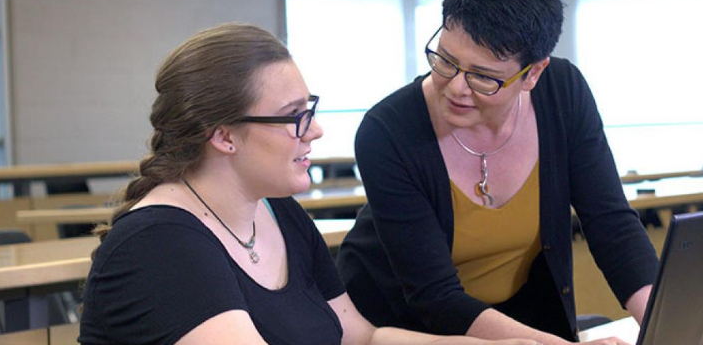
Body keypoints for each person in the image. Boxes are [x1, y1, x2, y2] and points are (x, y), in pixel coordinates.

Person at [79, 23, 534, 345]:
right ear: (222, 136)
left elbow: (362, 336)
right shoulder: (158, 246)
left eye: (309, 110)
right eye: (294, 116)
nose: (313, 130)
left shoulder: (277, 213)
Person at [335, 0, 658, 345]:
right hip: (400, 326)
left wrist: (661, 323)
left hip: (512, 319)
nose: (456, 87)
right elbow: (434, 297)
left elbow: (611, 224)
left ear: (533, 74)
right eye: (446, 61)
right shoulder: (387, 132)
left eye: (483, 77)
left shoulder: (563, 92)